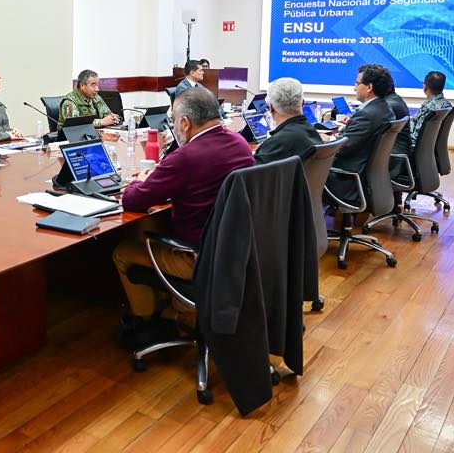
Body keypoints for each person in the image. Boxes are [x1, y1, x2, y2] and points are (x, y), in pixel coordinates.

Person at [113, 87, 256, 348]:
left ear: (185, 123)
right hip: (237, 251)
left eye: (174, 120)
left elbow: (132, 200)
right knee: (153, 225)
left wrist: (140, 181)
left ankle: (146, 323)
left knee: (123, 252)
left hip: (198, 258)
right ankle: (173, 310)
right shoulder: (239, 143)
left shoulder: (186, 156)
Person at [324, 65, 395, 206]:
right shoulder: (384, 109)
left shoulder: (367, 115)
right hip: (367, 176)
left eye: (357, 83)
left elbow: (342, 148)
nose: (354, 88)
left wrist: (328, 139)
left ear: (369, 87)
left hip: (347, 180)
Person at [254, 77, 321, 164]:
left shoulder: (275, 144)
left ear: (271, 107)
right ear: (303, 103)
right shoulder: (312, 131)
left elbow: (252, 172)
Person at [410, 71, 451, 150]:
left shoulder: (429, 109)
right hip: (429, 147)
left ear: (425, 87)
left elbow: (415, 136)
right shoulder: (447, 105)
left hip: (414, 148)